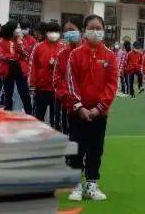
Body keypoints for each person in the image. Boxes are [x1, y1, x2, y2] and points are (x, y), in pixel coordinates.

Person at [64, 14, 118, 202]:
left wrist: (99, 108)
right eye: (92, 28)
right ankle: (76, 185)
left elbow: (112, 84)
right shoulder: (75, 54)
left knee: (96, 149)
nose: (95, 31)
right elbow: (71, 83)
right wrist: (80, 107)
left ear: (104, 30)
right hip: (78, 113)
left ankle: (92, 184)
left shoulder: (110, 56)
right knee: (77, 148)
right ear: (85, 31)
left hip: (99, 113)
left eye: (99, 28)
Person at [29, 21, 63, 128]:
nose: (53, 34)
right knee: (38, 116)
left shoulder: (63, 48)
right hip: (41, 88)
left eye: (55, 31)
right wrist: (32, 84)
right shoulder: (39, 47)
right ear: (46, 33)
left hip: (57, 90)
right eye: (50, 31)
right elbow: (33, 66)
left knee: (56, 118)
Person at [54, 20, 81, 150]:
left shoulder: (87, 53)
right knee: (67, 130)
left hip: (85, 104)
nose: (69, 33)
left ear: (80, 31)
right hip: (67, 103)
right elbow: (57, 80)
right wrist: (67, 97)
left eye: (72, 30)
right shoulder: (62, 54)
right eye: (66, 31)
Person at [0, 21, 31, 113]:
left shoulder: (22, 40)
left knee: (25, 94)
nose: (19, 29)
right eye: (17, 27)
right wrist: (16, 56)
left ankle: (29, 113)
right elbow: (3, 56)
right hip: (8, 70)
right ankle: (8, 112)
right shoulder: (2, 41)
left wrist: (19, 42)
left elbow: (26, 54)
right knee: (8, 94)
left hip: (20, 70)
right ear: (12, 28)